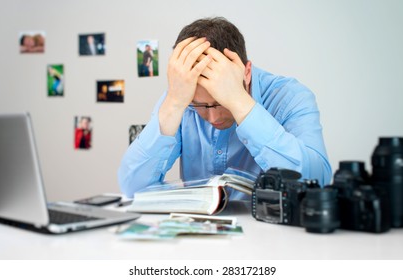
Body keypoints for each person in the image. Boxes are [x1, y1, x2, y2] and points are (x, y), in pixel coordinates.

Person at [118, 17, 332, 200]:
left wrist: (239, 102)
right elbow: (133, 188)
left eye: (221, 102)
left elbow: (316, 182)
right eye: (199, 105)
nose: (212, 117)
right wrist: (174, 103)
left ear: (246, 72)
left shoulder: (290, 96)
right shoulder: (181, 96)